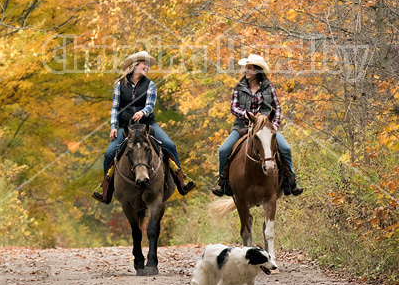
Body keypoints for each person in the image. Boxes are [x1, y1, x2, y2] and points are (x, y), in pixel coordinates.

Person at [92, 50, 195, 203]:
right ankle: (106, 190)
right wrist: (114, 126)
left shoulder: (150, 84)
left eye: (147, 64)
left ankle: (181, 181)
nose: (146, 66)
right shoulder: (120, 85)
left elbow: (150, 105)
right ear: (134, 66)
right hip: (126, 127)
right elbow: (115, 107)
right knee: (109, 154)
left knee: (169, 144)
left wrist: (143, 112)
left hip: (147, 125)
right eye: (143, 64)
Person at [211, 53, 303, 197]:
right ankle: (224, 184)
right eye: (246, 68)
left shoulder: (268, 87)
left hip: (265, 128)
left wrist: (275, 125)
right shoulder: (239, 87)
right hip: (242, 127)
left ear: (257, 71)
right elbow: (233, 107)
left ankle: (290, 182)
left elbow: (277, 107)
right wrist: (247, 115)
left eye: (250, 68)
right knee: (224, 150)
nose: (246, 71)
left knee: (285, 149)